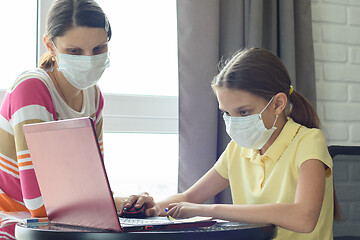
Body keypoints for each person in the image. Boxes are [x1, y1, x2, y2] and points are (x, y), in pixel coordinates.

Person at [120, 48, 340, 240]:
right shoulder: (237, 149)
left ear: (278, 104)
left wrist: (212, 210)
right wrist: (155, 207)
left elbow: (304, 218)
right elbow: (188, 198)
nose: (234, 122)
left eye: (244, 112)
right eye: (227, 113)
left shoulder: (308, 141)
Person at [0, 0, 110, 238]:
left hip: (63, 225)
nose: (89, 60)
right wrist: (115, 202)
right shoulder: (31, 88)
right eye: (74, 51)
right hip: (14, 225)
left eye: (99, 49)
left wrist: (124, 204)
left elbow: (95, 187)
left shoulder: (93, 96)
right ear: (50, 45)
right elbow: (38, 203)